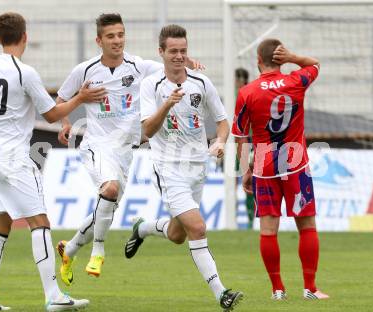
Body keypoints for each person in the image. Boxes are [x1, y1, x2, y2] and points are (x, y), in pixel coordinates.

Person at [55, 13, 202, 285]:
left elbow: (169, 66)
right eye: (110, 36)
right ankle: (99, 250)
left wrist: (186, 63)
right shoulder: (85, 70)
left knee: (105, 209)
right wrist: (66, 123)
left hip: (126, 151)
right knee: (109, 190)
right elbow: (61, 97)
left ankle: (70, 249)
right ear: (99, 40)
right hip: (97, 145)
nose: (117, 40)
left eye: (120, 35)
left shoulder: (138, 66)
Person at [0, 12, 96, 311]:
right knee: (40, 222)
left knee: (0, 225)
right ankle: (54, 296)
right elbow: (52, 114)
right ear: (25, 37)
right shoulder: (24, 72)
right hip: (11, 157)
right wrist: (80, 98)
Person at [124, 24, 243, 311]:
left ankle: (143, 229)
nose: (179, 56)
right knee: (198, 228)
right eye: (173, 51)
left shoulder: (201, 83)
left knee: (178, 235)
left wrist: (220, 143)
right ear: (161, 52)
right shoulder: (150, 86)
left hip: (197, 168)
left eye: (183, 51)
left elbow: (223, 121)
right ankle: (221, 293)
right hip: (168, 168)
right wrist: (166, 105)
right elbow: (147, 131)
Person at [232, 38, 329, 300]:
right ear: (280, 59)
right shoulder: (297, 81)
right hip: (296, 163)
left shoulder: (247, 92)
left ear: (258, 61)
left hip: (265, 166)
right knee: (307, 225)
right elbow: (316, 64)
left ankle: (278, 290)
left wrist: (244, 170)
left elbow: (241, 135)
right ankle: (310, 288)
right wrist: (293, 57)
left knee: (268, 229)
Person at [234, 68, 255, 229]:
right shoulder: (231, 96)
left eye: (236, 79)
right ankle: (232, 219)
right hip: (233, 147)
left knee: (249, 183)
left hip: (247, 145)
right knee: (233, 183)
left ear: (241, 80)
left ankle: (250, 221)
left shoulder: (248, 95)